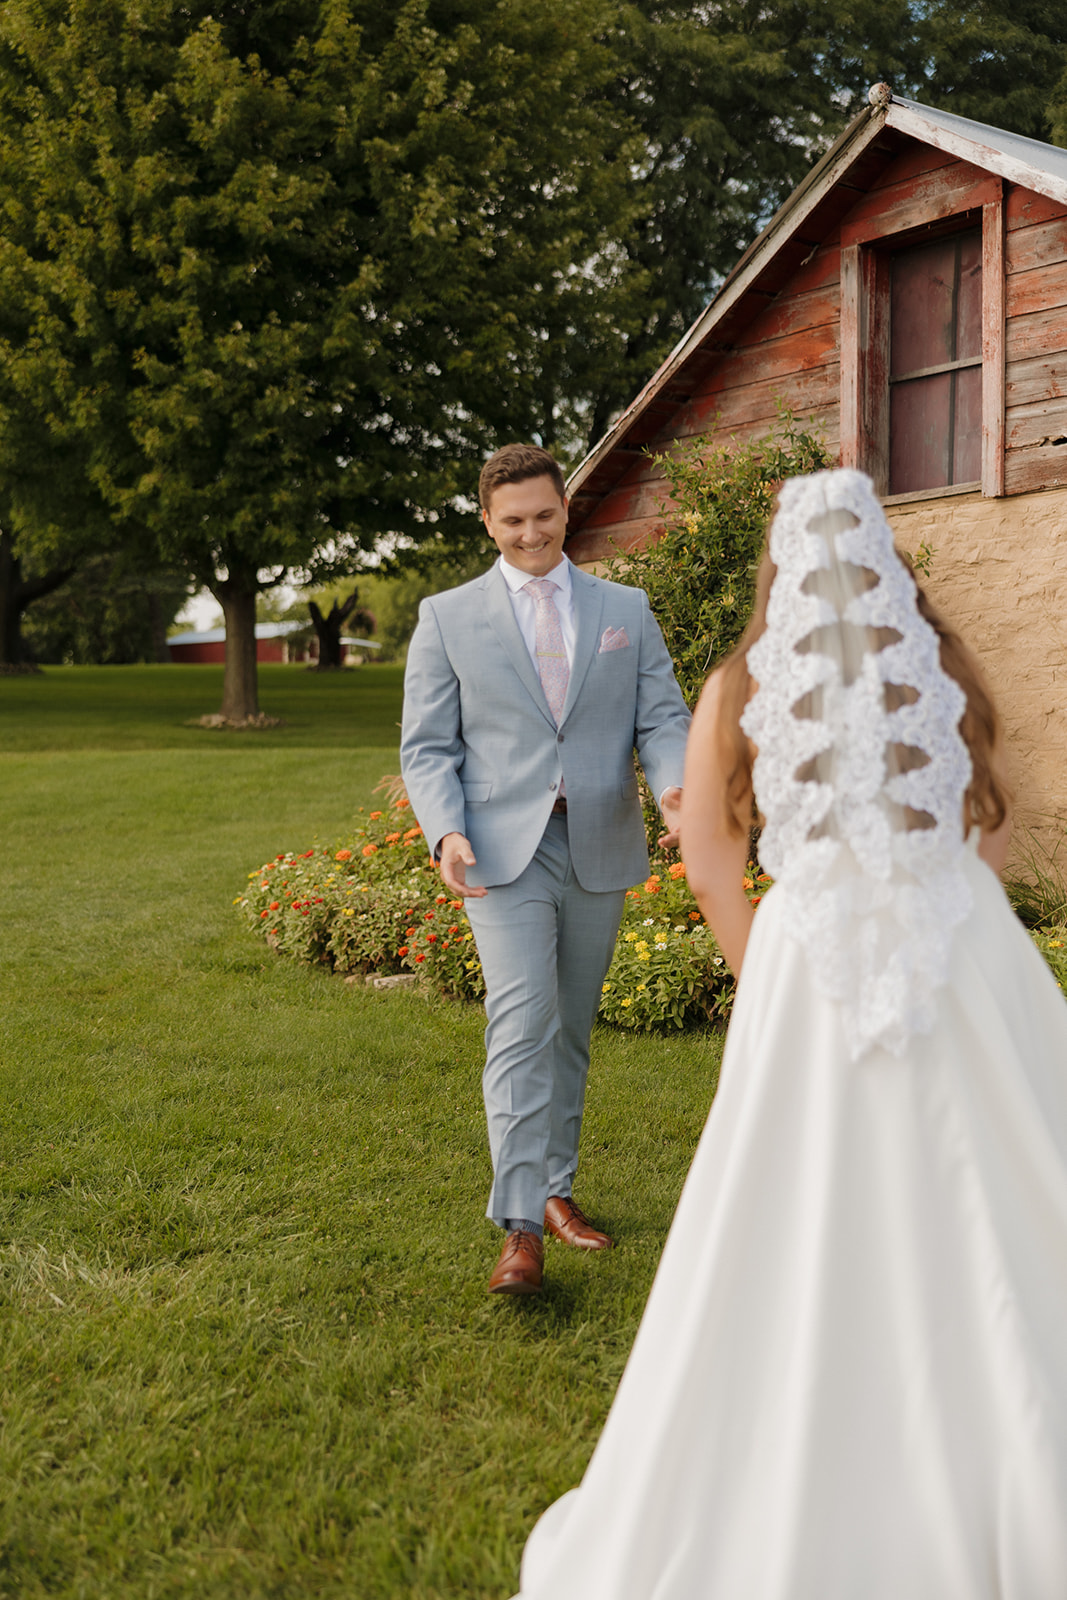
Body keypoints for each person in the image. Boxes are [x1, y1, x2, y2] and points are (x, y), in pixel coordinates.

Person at [515, 468, 1067, 1597]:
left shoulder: (740, 686)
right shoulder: (941, 668)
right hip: (960, 947)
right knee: (998, 1178)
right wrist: (945, 917)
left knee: (802, 1195)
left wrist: (770, 975)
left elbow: (709, 868)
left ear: (779, 564)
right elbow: (991, 828)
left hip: (813, 960)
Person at [400, 443, 691, 1295]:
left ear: (566, 510)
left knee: (568, 1027)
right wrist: (445, 833)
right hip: (499, 851)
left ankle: (556, 1186)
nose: (530, 534)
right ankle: (521, 1225)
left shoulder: (623, 608)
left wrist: (674, 789)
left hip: (597, 839)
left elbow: (660, 717)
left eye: (543, 516)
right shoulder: (446, 617)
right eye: (512, 521)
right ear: (487, 523)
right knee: (522, 1023)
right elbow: (427, 747)